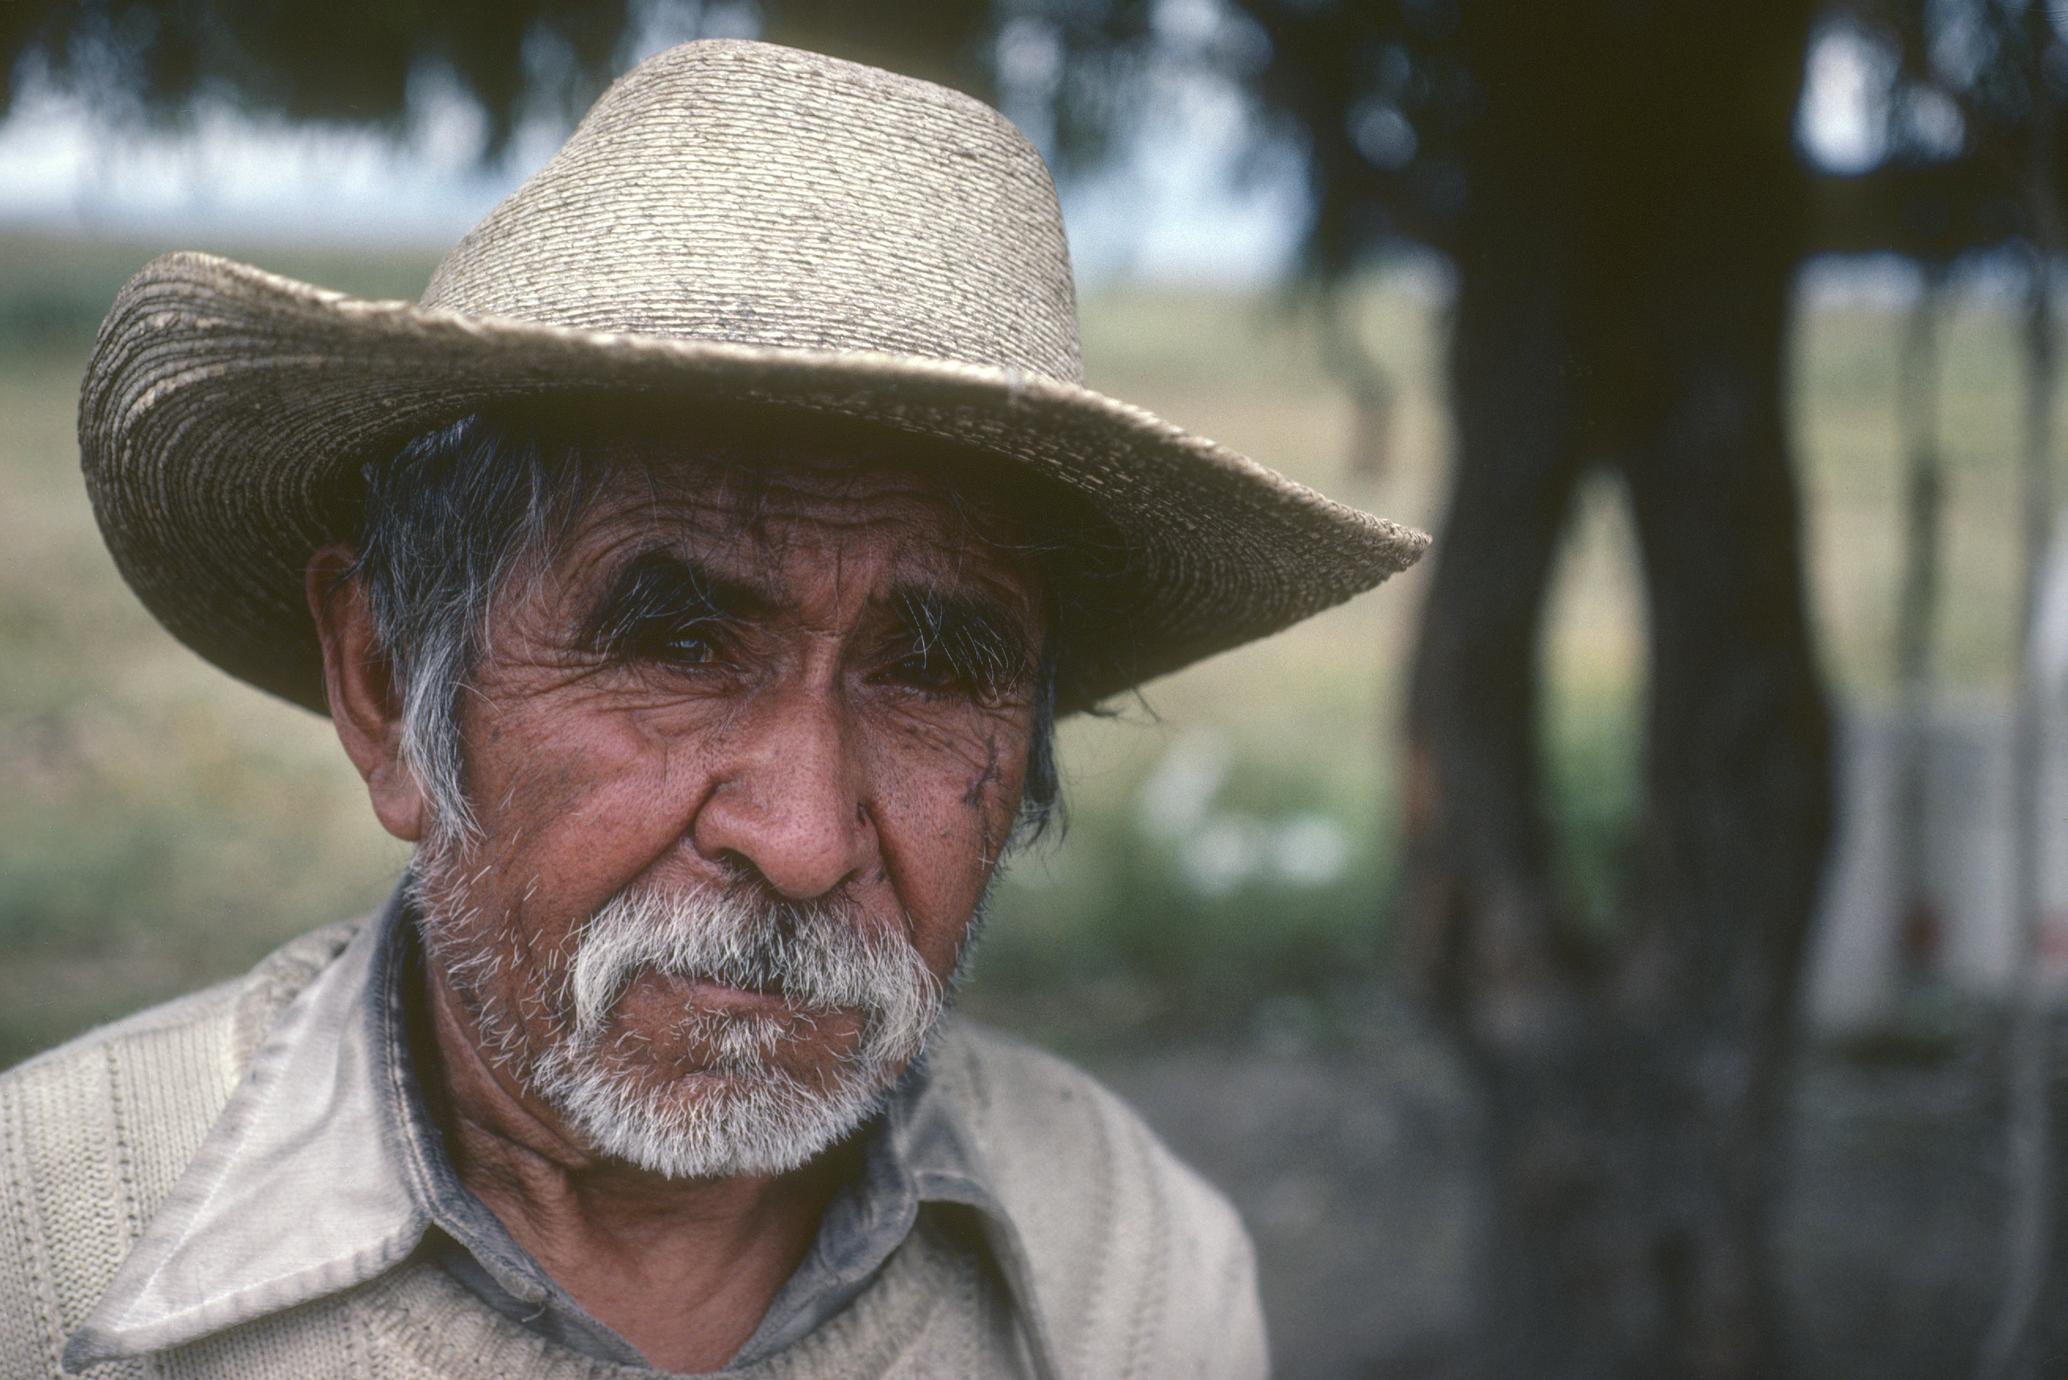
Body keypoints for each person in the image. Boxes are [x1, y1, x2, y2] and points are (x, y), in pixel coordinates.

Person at [0, 37, 1425, 1380]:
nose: (802, 841)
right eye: (677, 647)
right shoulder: (43, 1248)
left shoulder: (1137, 1269)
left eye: (934, 671)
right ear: (382, 685)